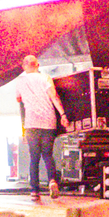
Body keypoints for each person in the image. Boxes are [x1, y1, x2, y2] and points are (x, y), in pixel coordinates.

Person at [14, 53, 69, 202]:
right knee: (48, 155)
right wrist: (63, 114)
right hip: (48, 122)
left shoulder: (20, 81)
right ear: (37, 65)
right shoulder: (45, 78)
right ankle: (52, 180)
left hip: (31, 124)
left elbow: (18, 99)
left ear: (24, 66)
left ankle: (34, 192)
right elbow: (54, 97)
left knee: (34, 158)